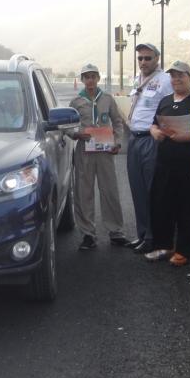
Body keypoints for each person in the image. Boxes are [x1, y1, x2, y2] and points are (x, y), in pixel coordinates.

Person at [143, 61, 190, 266]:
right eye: (173, 76)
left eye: (181, 75)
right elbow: (154, 124)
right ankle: (163, 246)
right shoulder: (166, 100)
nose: (176, 79)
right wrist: (154, 131)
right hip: (164, 162)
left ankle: (185, 250)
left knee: (188, 207)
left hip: (189, 163)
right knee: (161, 203)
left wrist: (187, 137)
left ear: (189, 76)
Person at [69, 63, 129, 250]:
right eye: (86, 77)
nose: (90, 80)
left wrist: (117, 142)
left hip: (104, 151)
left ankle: (116, 231)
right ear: (82, 80)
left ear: (98, 78)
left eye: (93, 76)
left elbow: (118, 123)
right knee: (83, 193)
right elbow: (69, 126)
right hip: (84, 151)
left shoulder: (108, 99)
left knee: (109, 190)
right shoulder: (76, 102)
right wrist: (78, 133)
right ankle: (88, 234)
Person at [125, 43, 173, 254]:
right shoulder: (137, 80)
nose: (143, 62)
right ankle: (142, 233)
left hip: (150, 141)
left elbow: (171, 109)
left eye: (148, 58)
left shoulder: (164, 81)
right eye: (140, 58)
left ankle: (154, 236)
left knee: (152, 190)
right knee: (137, 190)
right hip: (134, 140)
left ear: (157, 59)